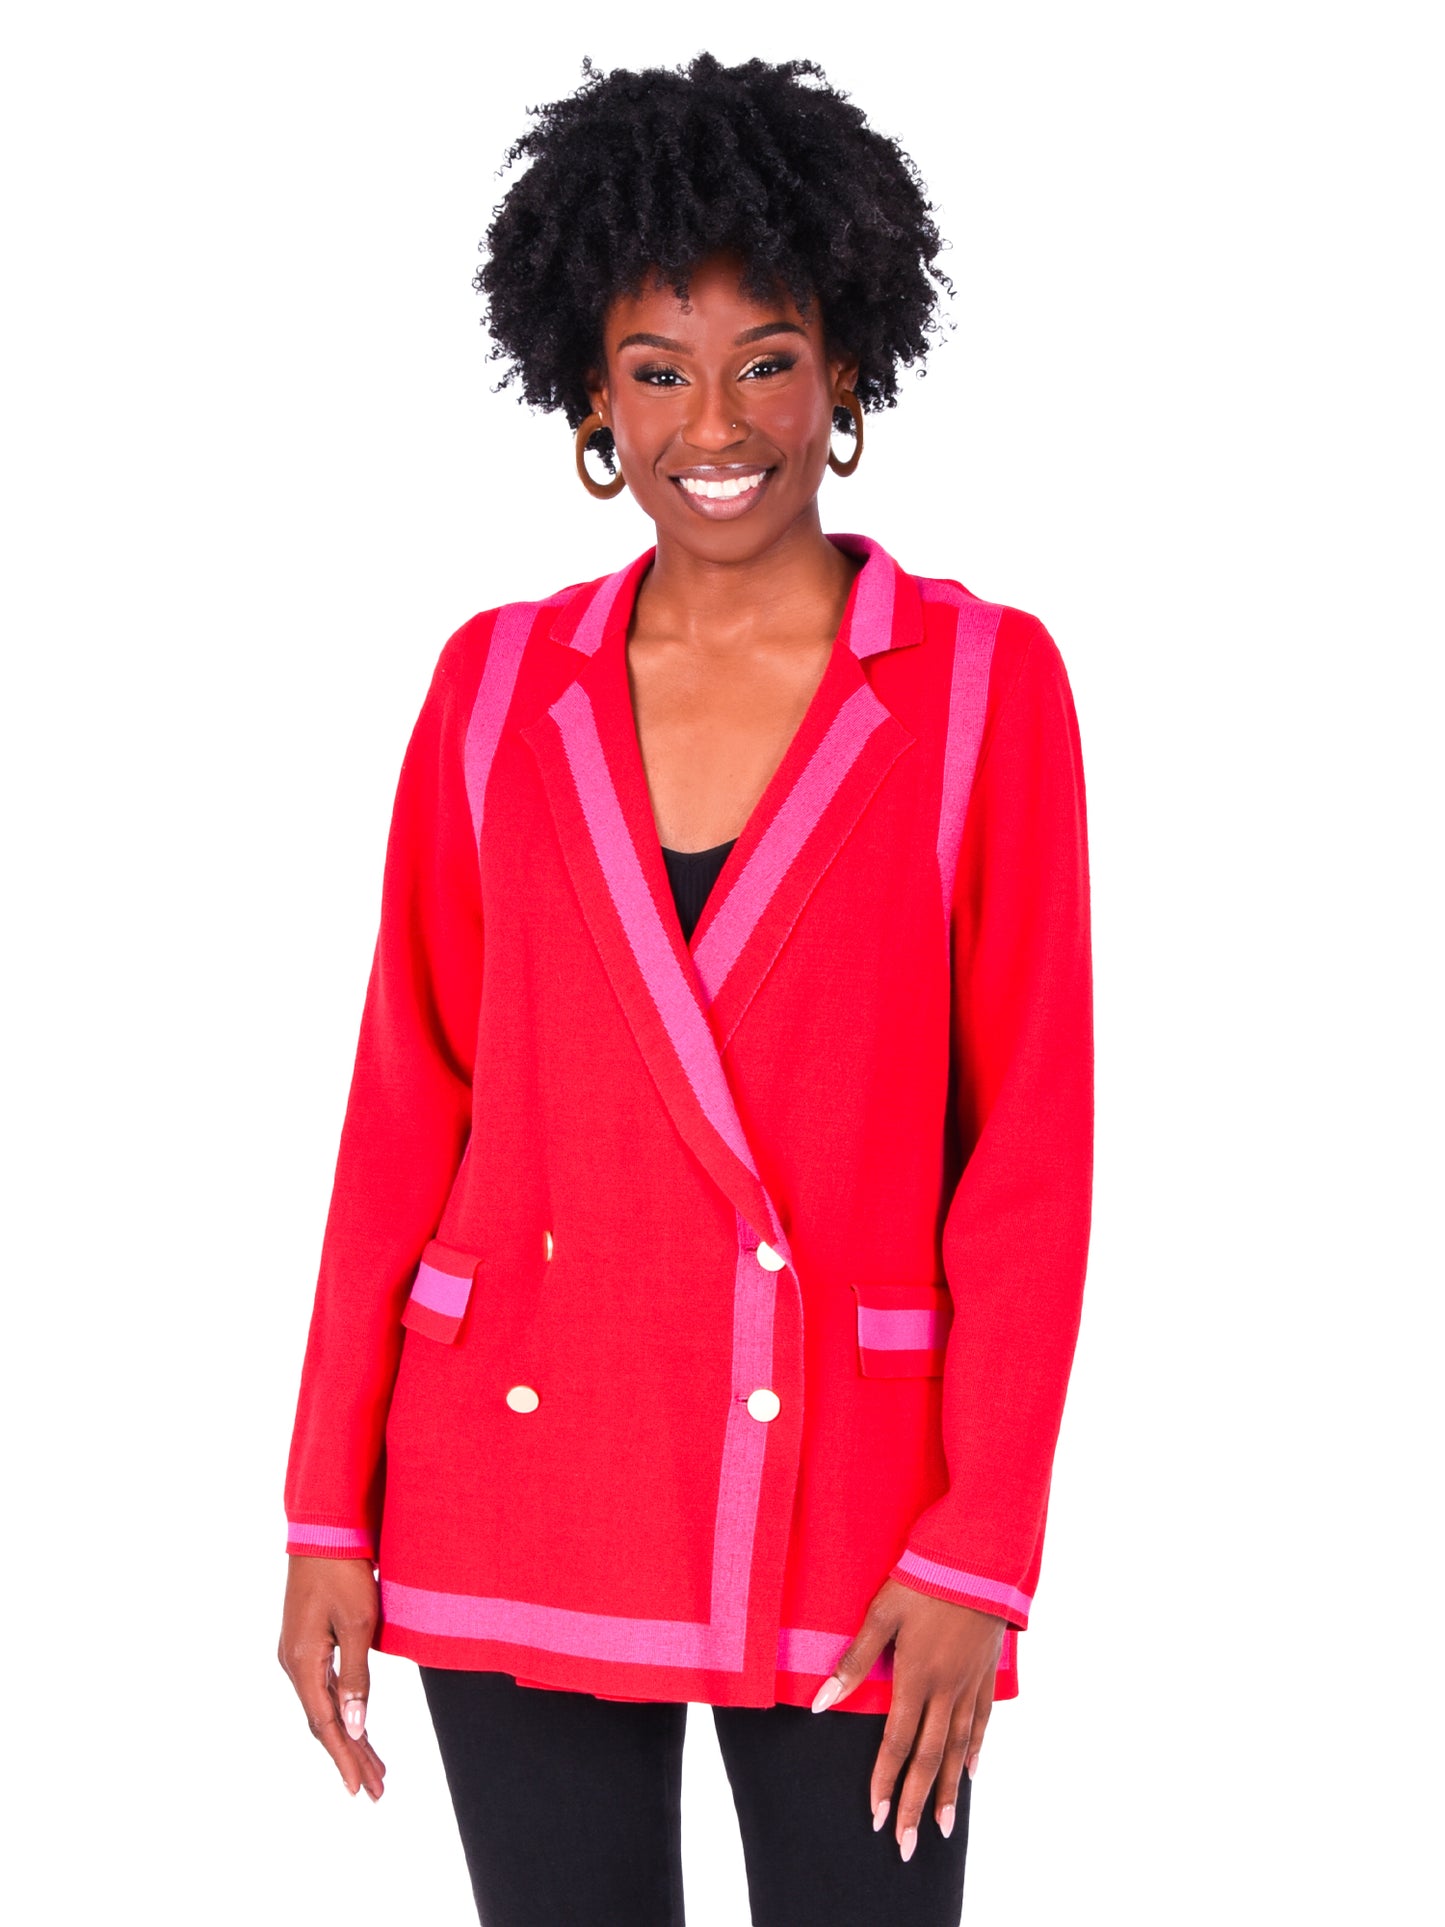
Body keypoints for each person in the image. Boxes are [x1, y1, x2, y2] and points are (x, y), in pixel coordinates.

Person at [278, 53, 1094, 1927]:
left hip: (860, 1505)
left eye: (765, 361)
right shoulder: (495, 687)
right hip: (518, 1465)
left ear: (846, 371)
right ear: (588, 392)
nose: (711, 425)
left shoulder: (980, 689)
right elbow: (402, 1109)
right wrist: (325, 1504)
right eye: (655, 371)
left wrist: (982, 1544)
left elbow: (1030, 1150)